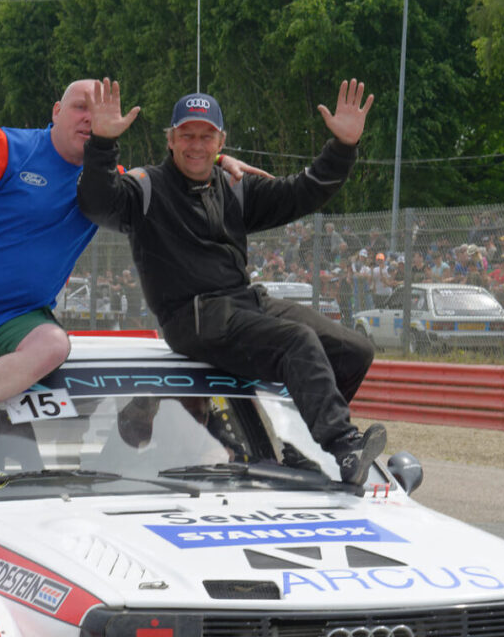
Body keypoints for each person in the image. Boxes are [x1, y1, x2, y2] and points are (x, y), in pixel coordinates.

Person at [0, 79, 265, 476]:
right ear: (56, 112)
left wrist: (217, 161)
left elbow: (166, 175)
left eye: (98, 111)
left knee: (53, 345)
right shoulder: (14, 148)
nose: (89, 117)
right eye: (80, 106)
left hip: (20, 317)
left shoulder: (104, 180)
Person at [76, 78, 387, 484]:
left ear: (221, 140)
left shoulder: (234, 187)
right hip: (192, 317)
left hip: (243, 302)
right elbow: (97, 204)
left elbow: (302, 193)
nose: (196, 145)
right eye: (186, 134)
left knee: (354, 350)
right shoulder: (147, 188)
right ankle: (345, 447)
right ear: (170, 139)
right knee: (297, 341)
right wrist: (101, 143)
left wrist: (343, 148)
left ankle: (298, 448)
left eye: (206, 136)